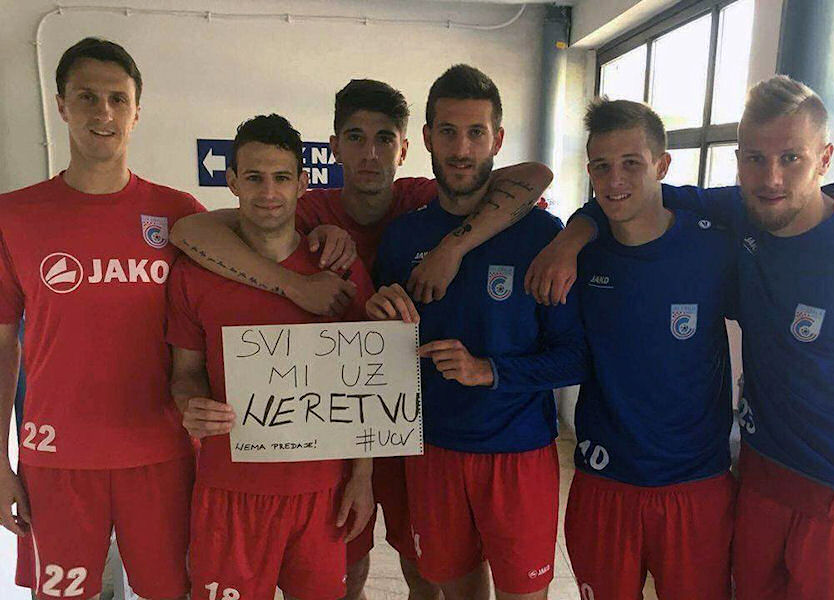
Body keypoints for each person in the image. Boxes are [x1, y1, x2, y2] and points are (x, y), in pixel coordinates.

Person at [169, 78, 551, 600]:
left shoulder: (424, 199)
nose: (370, 154)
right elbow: (189, 231)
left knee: (426, 568)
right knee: (347, 565)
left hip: (416, 420)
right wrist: (294, 284)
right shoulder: (306, 209)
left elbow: (534, 176)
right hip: (329, 432)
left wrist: (452, 248)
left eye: (384, 138)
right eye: (355, 137)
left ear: (406, 147)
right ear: (333, 147)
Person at [527, 75, 834, 600]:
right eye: (755, 159)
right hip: (759, 477)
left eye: (791, 158)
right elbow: (627, 196)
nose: (771, 177)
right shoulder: (741, 212)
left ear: (825, 157)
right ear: (739, 160)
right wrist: (572, 236)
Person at [367, 64, 588, 600]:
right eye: (448, 132)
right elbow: (383, 353)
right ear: (426, 138)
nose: (462, 149)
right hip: (432, 451)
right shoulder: (403, 237)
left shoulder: (542, 235)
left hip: (519, 453)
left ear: (498, 139)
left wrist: (489, 371)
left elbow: (575, 357)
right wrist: (375, 317)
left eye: (476, 132)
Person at [0, 37, 202, 600]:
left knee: (170, 592)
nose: (103, 112)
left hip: (161, 452)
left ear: (137, 111)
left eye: (118, 99)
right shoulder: (13, 216)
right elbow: (3, 346)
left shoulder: (180, 214)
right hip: (55, 457)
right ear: (61, 105)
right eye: (87, 96)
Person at [168, 113, 374, 600]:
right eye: (254, 177)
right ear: (232, 182)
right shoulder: (193, 274)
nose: (268, 192)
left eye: (281, 178)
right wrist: (191, 406)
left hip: (321, 488)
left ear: (302, 184)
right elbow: (185, 374)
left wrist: (363, 477)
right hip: (230, 488)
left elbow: (367, 381)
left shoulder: (339, 269)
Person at [562, 97, 737, 599]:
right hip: (605, 479)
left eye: (631, 163)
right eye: (601, 166)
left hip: (696, 484)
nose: (615, 179)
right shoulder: (582, 255)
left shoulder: (715, 247)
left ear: (662, 165)